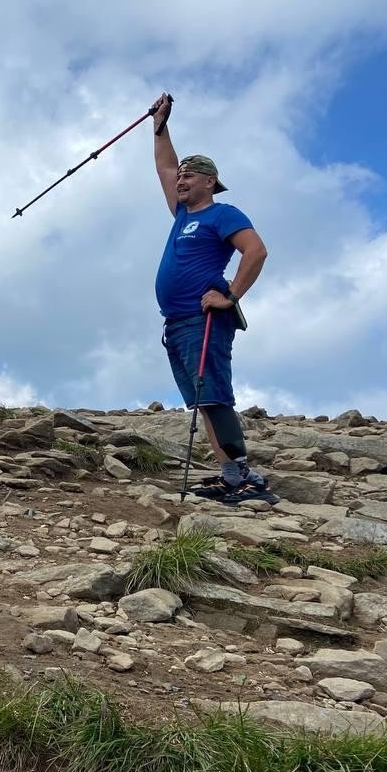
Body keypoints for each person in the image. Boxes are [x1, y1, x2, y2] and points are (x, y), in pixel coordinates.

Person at [150, 93, 275, 504]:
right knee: (204, 402)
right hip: (178, 323)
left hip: (203, 320)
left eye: (190, 176)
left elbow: (255, 251)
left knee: (215, 396)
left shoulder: (223, 214)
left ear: (209, 182)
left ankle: (240, 476)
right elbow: (165, 166)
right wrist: (161, 126)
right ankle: (229, 474)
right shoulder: (183, 214)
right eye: (180, 177)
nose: (180, 180)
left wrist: (230, 296)